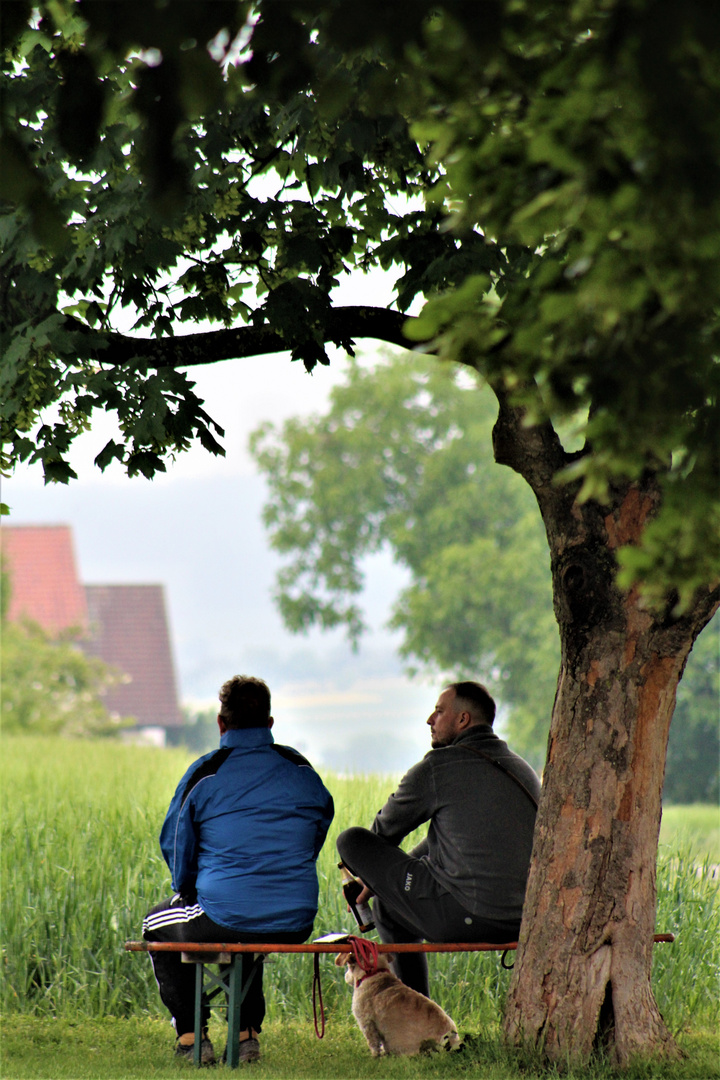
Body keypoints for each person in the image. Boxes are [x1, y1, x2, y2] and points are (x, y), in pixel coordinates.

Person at [143, 675, 334, 1065]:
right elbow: (320, 822)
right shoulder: (299, 769)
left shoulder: (206, 773)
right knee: (250, 921)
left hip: (226, 912)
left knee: (155, 925)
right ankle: (246, 1037)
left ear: (220, 723)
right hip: (296, 918)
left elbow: (175, 842)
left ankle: (191, 1039)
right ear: (270, 723)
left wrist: (188, 889)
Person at [336, 681, 540, 998]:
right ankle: (421, 1020)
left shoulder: (438, 767)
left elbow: (381, 835)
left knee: (351, 841)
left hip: (467, 917)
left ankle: (418, 1020)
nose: (430, 719)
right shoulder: (521, 769)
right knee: (389, 911)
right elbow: (443, 844)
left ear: (463, 720)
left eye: (439, 711)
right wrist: (383, 886)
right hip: (526, 917)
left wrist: (374, 877)